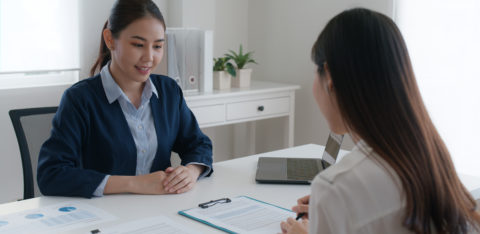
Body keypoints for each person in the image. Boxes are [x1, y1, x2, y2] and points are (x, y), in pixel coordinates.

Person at [281, 8, 480, 234]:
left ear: (330, 78)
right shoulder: (431, 157)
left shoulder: (334, 187)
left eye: (315, 71)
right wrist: (333, 213)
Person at [37, 0, 213, 198]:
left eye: (157, 46)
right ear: (110, 39)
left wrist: (191, 171)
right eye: (138, 44)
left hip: (161, 210)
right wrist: (135, 183)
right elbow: (50, 174)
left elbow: (199, 144)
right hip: (104, 216)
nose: (149, 57)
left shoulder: (169, 91)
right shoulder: (80, 99)